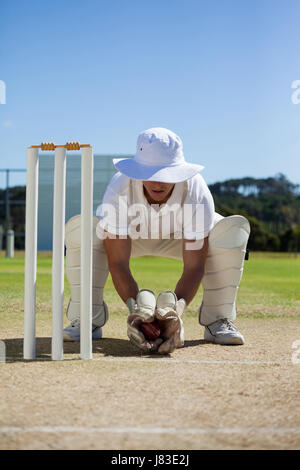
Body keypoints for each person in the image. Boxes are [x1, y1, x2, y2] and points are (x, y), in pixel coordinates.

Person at [63, 127, 250, 354]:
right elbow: (118, 263)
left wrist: (174, 312)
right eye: (150, 174)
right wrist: (137, 311)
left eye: (166, 176)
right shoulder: (119, 188)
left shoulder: (196, 191)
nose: (157, 183)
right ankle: (86, 317)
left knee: (230, 232)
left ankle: (217, 319)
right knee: (84, 230)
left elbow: (194, 266)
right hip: (133, 238)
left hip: (178, 239)